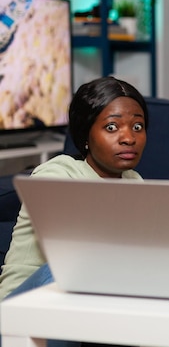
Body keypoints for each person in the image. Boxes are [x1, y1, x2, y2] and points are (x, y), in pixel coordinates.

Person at [0, 76, 148, 301]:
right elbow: (81, 258)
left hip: (90, 302)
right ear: (86, 135)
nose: (129, 138)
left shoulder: (135, 182)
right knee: (71, 270)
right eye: (112, 127)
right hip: (22, 306)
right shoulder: (56, 176)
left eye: (138, 126)